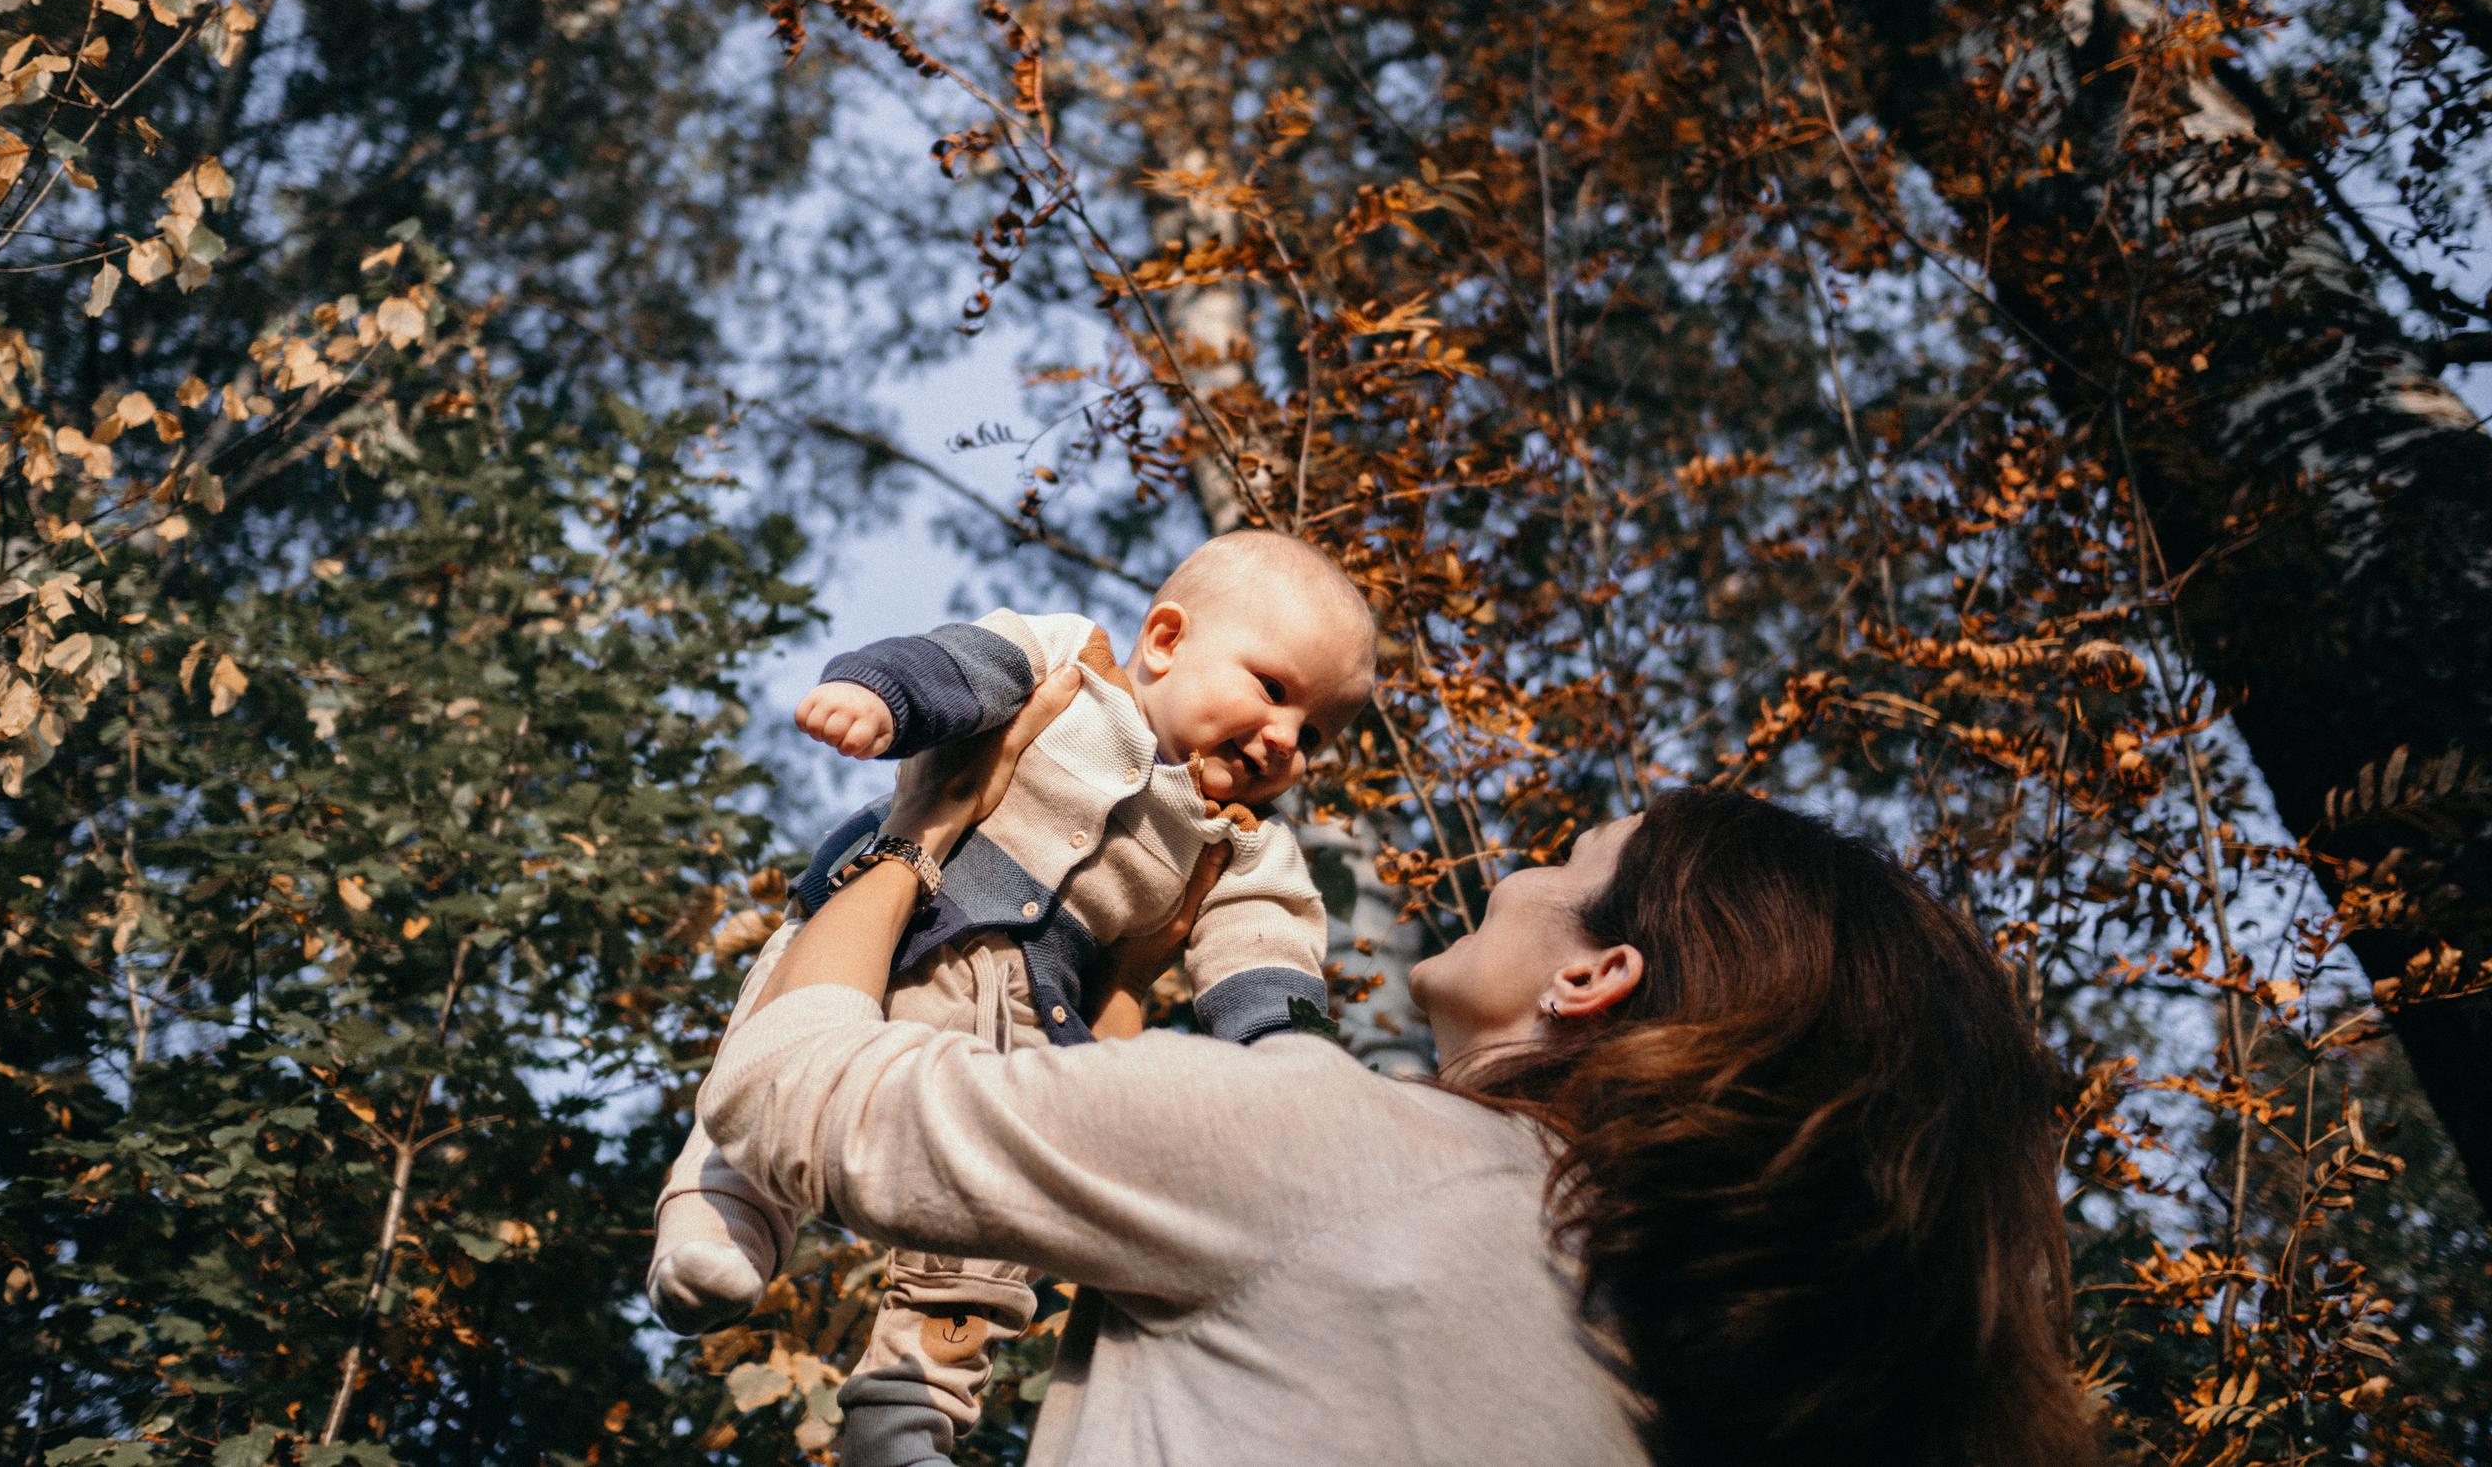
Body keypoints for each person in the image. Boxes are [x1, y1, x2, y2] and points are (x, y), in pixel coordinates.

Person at [697, 666, 2101, 1467]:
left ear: (1595, 975)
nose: (1522, 865)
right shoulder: (1682, 1364)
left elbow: (789, 1090)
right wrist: (1122, 977)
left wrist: (925, 829)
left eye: (1572, 861)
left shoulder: (1345, 1151)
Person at [649, 530, 1377, 1463]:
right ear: (1164, 639)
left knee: (995, 1239)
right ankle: (724, 1213)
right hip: (898, 930)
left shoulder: (1239, 846)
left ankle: (906, 1417)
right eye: (1274, 689)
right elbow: (962, 664)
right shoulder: (1068, 658)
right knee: (780, 1043)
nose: (1286, 739)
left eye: (1314, 735)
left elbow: (1265, 952)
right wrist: (882, 697)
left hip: (1034, 1018)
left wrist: (1293, 1062)